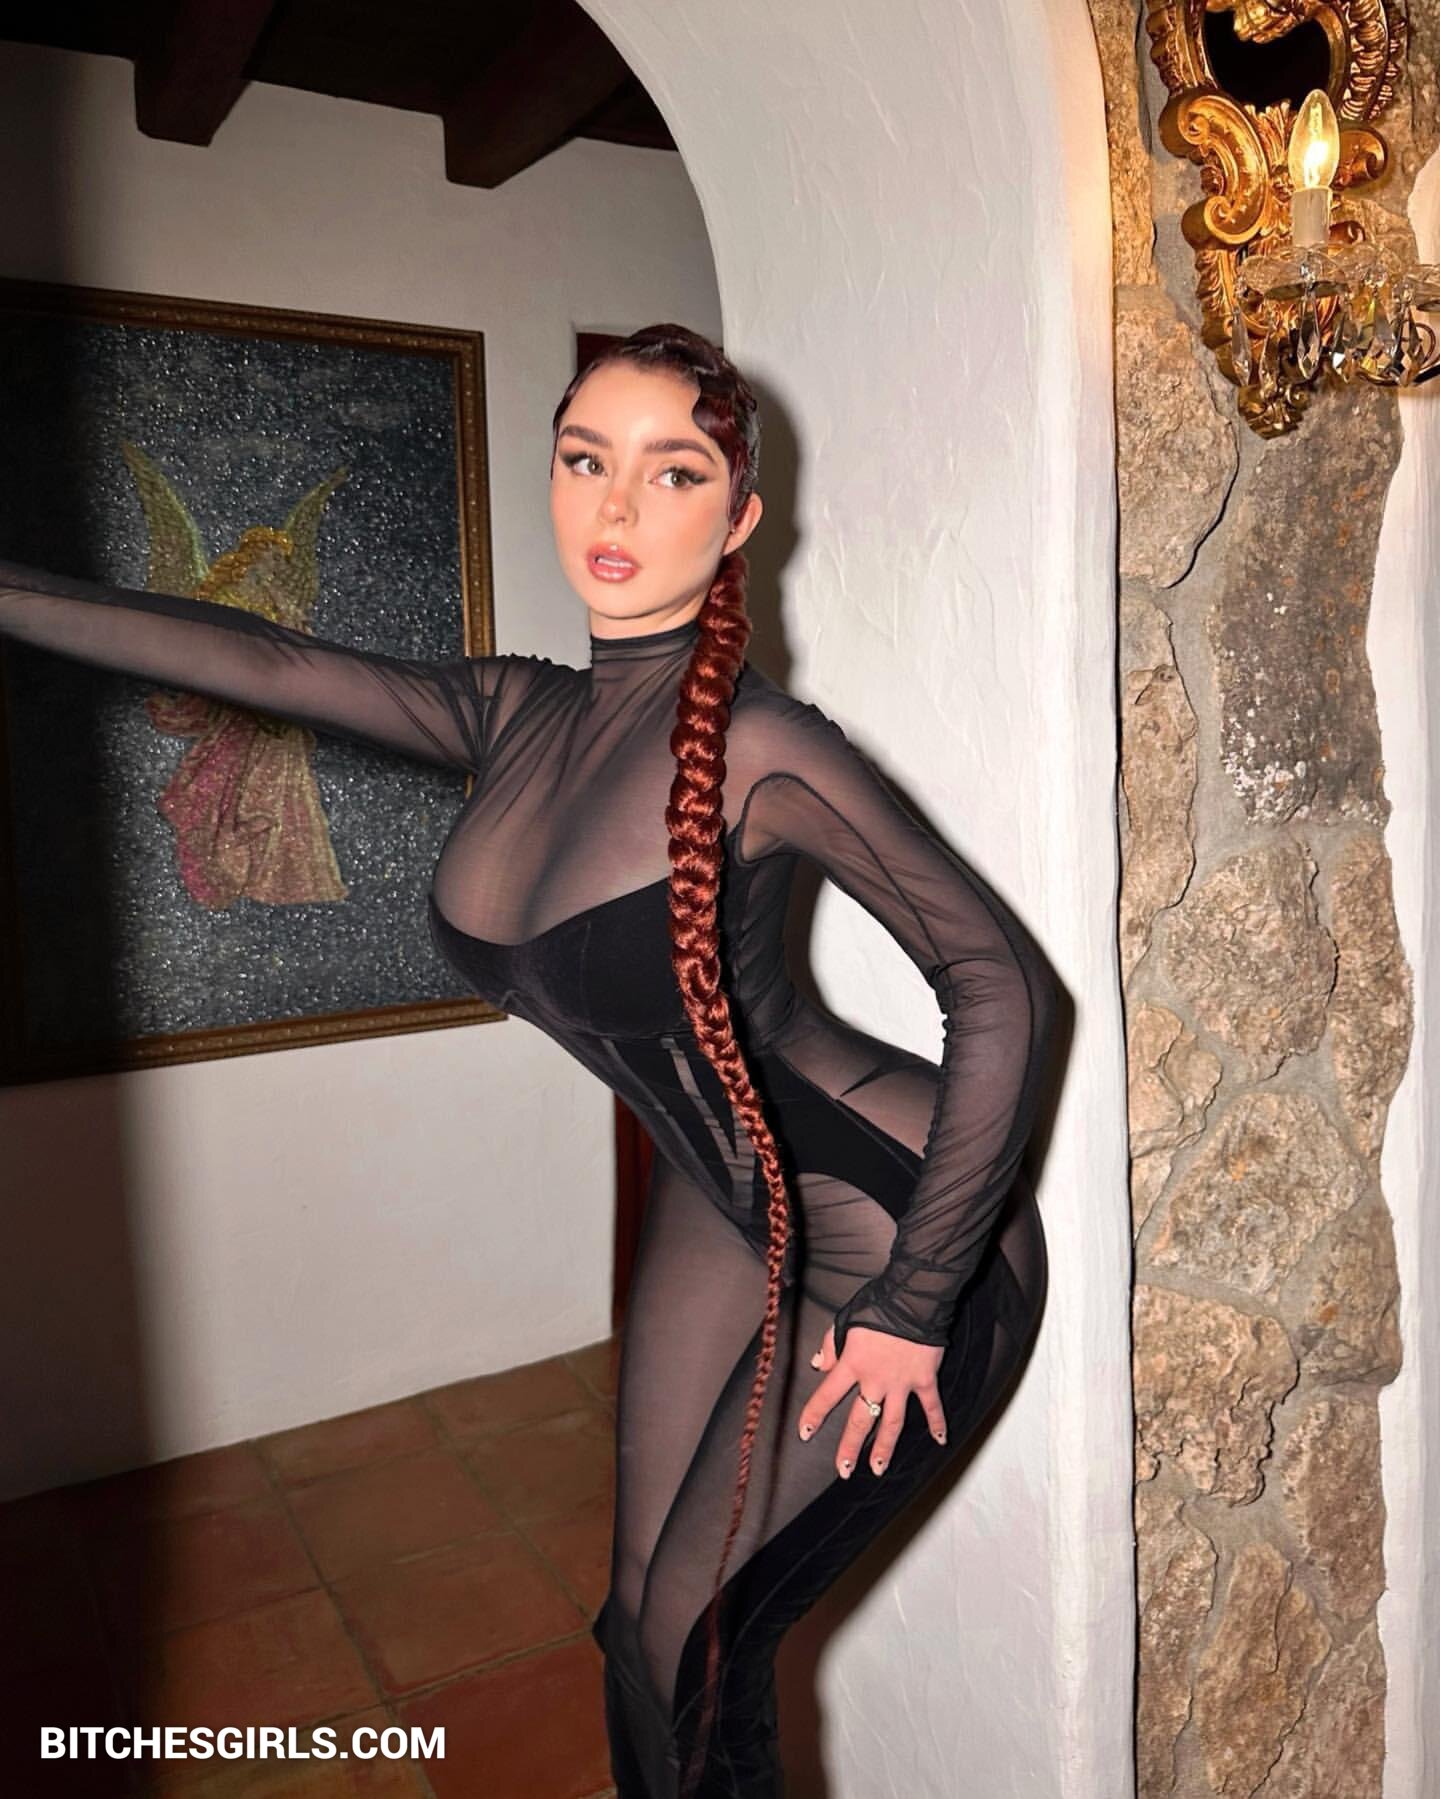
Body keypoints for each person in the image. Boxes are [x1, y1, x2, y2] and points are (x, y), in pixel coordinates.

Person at [0, 322, 1059, 1797]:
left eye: (672, 472)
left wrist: (916, 1301)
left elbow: (1005, 987)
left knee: (696, 1638)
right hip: (718, 1195)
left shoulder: (766, 749)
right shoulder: (511, 712)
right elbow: (263, 658)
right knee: (630, 1620)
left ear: (738, 521)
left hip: (891, 1225)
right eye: (584, 460)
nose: (615, 507)